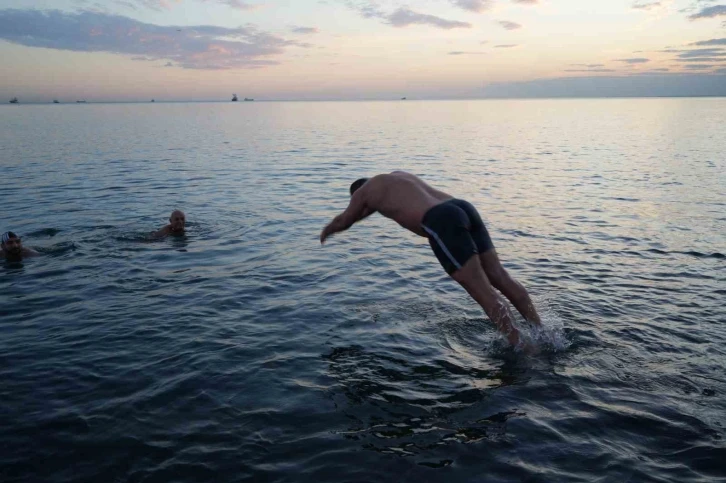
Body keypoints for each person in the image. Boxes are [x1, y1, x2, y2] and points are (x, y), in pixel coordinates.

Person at [320, 171, 541, 347]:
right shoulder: (396, 178)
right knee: (499, 275)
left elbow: (345, 220)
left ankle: (522, 346)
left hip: (441, 220)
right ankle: (541, 331)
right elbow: (370, 210)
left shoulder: (363, 193)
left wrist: (326, 232)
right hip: (462, 207)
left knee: (481, 290)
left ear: (358, 194)